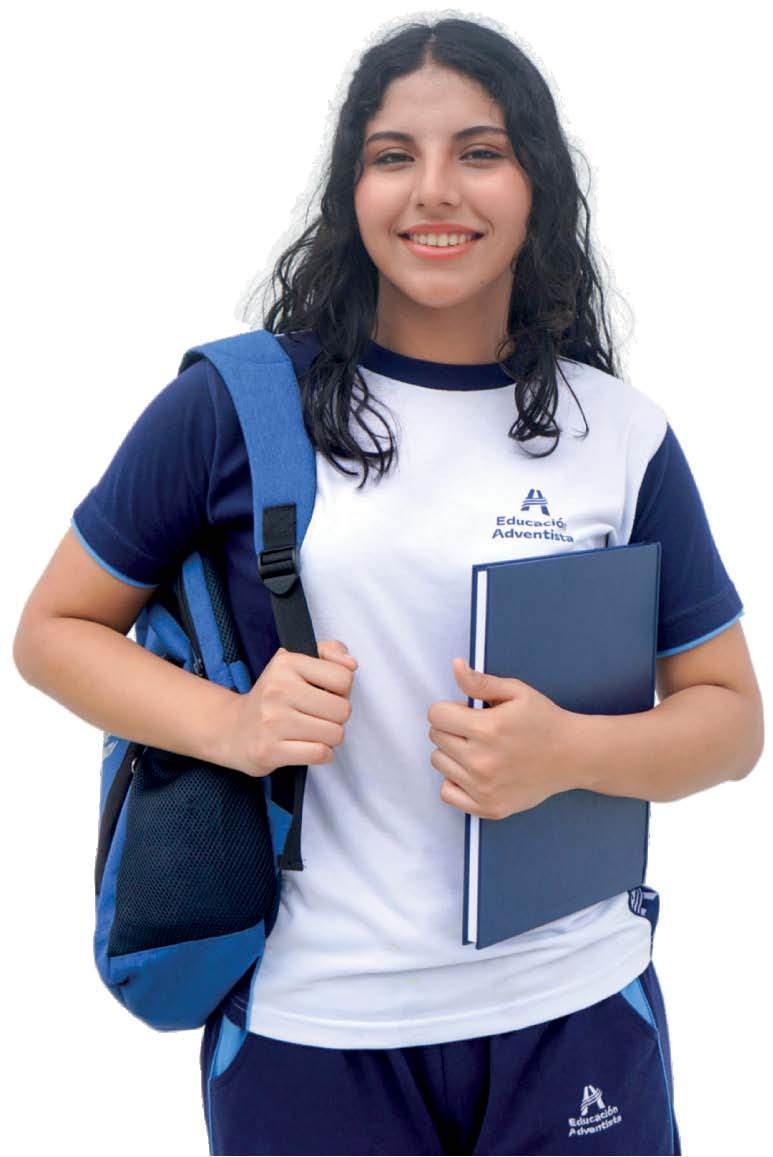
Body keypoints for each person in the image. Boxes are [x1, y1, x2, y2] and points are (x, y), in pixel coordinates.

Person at [13, 15, 764, 1157]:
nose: (434, 191)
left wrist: (566, 751)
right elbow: (52, 630)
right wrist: (233, 724)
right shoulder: (237, 407)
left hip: (574, 1004)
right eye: (392, 156)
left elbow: (730, 719)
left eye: (479, 151)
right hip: (316, 1023)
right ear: (350, 190)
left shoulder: (619, 434)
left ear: (536, 183)